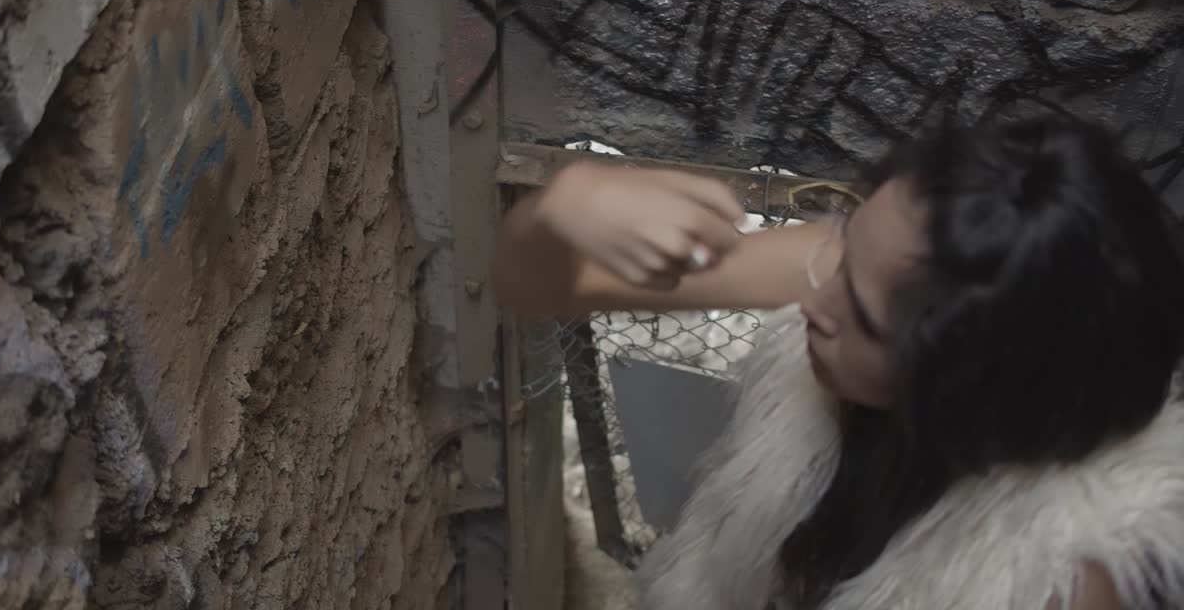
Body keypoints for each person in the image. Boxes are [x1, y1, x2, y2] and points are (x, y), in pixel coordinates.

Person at [493, 116, 1184, 609]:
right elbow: (527, 284)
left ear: (970, 385)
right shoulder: (844, 274)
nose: (816, 299)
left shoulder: (1066, 575)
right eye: (848, 249)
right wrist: (564, 207)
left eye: (868, 319)